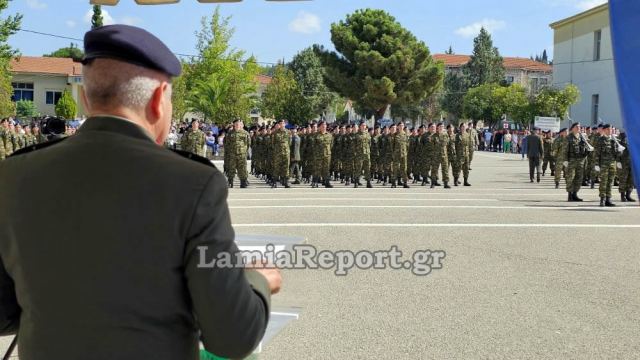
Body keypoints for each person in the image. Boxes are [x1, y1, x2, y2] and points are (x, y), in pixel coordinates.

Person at [0, 25, 280, 360]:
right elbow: (233, 337)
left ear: (86, 98)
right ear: (160, 99)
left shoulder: (13, 175)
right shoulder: (193, 183)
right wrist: (258, 282)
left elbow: (3, 314)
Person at [564, 122, 591, 202]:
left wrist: (588, 150)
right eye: (577, 126)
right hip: (571, 160)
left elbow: (586, 148)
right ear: (572, 128)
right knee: (570, 178)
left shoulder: (582, 137)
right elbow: (564, 150)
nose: (579, 128)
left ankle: (575, 194)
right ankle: (570, 195)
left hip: (581, 160)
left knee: (579, 178)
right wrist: (565, 160)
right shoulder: (568, 137)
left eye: (579, 127)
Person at [594, 124, 618, 206]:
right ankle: (602, 199)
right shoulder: (600, 140)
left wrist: (619, 152)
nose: (610, 130)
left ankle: (608, 199)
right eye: (608, 129)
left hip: (612, 164)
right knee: (603, 182)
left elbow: (616, 153)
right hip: (604, 164)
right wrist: (596, 164)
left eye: (610, 129)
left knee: (610, 182)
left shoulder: (614, 140)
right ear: (604, 130)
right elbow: (597, 153)